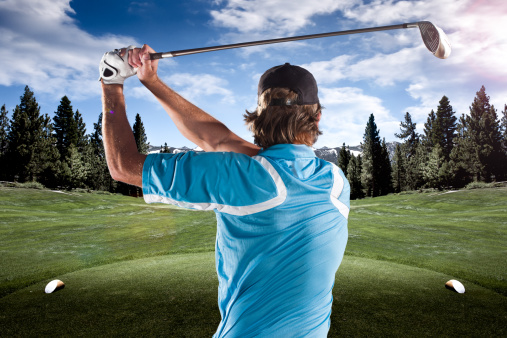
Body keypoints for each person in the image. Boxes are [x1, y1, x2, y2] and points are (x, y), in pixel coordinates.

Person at [99, 44, 350, 337]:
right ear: (317, 118)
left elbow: (122, 165)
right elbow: (217, 140)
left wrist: (111, 84)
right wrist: (152, 83)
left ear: (258, 115)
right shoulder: (335, 181)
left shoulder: (240, 176)